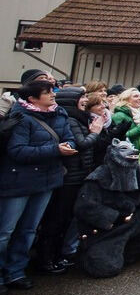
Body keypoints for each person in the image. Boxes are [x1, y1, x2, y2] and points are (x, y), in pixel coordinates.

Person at [0, 79, 76, 295]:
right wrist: (55, 150)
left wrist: (68, 145)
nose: (53, 94)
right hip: (18, 181)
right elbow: (17, 151)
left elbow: (70, 138)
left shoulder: (59, 113)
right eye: (47, 92)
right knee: (5, 231)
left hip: (47, 180)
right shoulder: (21, 118)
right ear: (32, 98)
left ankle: (16, 271)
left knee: (29, 229)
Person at [36, 87, 104, 275]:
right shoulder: (71, 120)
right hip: (69, 177)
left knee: (66, 218)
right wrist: (95, 132)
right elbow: (81, 144)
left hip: (78, 174)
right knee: (57, 219)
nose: (85, 100)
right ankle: (46, 259)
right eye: (81, 97)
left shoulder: (80, 118)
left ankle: (58, 255)